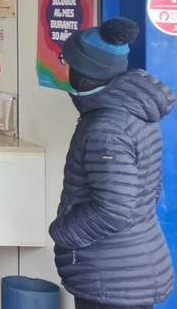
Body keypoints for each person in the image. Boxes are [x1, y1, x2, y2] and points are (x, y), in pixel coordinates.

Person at [50, 17, 174, 309]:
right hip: (131, 265)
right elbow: (149, 191)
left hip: (109, 273)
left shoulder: (106, 128)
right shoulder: (134, 112)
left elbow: (115, 209)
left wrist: (64, 232)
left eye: (68, 63)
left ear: (85, 72)